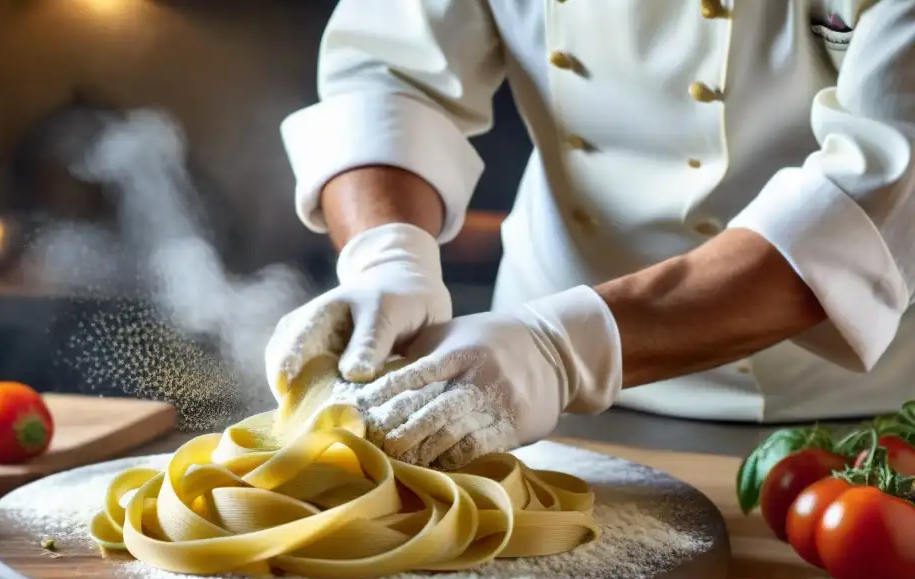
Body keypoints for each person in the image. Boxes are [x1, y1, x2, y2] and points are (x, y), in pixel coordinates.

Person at [265, 0, 915, 470]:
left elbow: (877, 195)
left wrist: (561, 350)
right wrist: (389, 255)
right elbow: (390, 73)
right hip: (517, 400)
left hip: (849, 424)